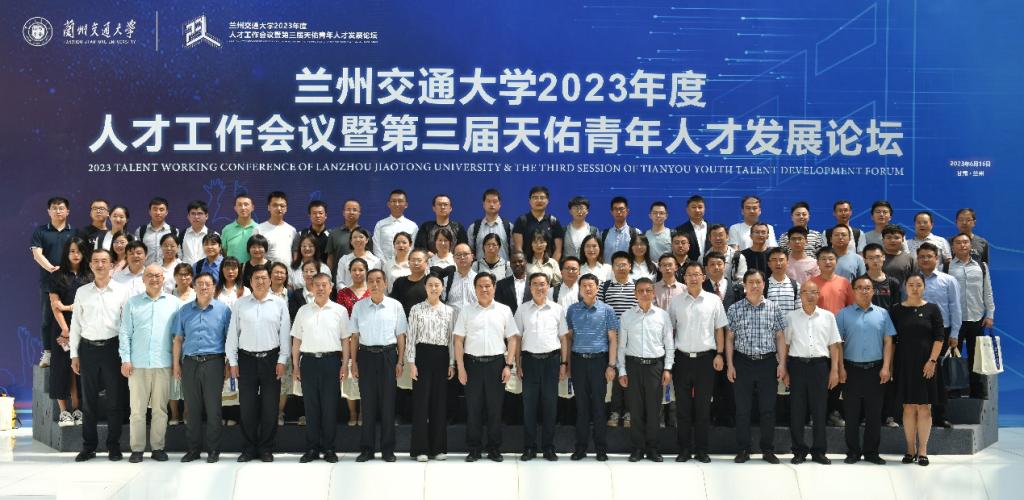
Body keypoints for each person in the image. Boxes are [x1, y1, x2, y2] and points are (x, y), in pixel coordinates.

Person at [69, 248, 130, 462]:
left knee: (114, 401)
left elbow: (126, 325)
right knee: (89, 402)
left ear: (112, 265)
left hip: (113, 349)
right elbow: (75, 325)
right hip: (88, 350)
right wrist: (74, 355)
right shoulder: (82, 292)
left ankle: (114, 446)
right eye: (96, 261)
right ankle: (89, 446)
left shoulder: (122, 291)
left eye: (104, 261)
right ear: (90, 265)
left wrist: (126, 355)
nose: (100, 265)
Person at [226, 265, 290, 463]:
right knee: (247, 407)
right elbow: (232, 335)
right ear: (250, 282)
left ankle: (266, 448)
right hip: (246, 360)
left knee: (270, 407)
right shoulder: (240, 304)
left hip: (271, 359)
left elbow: (284, 334)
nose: (260, 281)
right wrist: (233, 362)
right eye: (256, 278)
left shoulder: (279, 304)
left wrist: (282, 360)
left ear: (270, 280)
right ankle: (248, 448)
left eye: (264, 278)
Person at [119, 263, 182, 463]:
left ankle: (157, 448)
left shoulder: (175, 303)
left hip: (163, 364)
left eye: (158, 276)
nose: (154, 279)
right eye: (150, 275)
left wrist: (177, 362)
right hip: (137, 365)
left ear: (163, 279)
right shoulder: (133, 303)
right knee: (137, 410)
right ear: (143, 279)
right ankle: (137, 449)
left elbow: (179, 336)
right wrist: (125, 359)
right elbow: (125, 333)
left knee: (160, 410)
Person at [454, 273, 520, 462]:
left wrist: (508, 365)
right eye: (480, 286)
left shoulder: (504, 310)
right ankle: (474, 448)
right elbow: (458, 340)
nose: (484, 289)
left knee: (495, 409)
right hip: (472, 365)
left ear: (494, 288)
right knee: (473, 409)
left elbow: (512, 339)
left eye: (488, 286)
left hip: (496, 365)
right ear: (475, 289)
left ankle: (494, 448)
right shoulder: (466, 311)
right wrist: (461, 367)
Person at [725, 270, 787, 464]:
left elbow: (780, 337)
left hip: (767, 363)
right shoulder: (734, 309)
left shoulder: (774, 308)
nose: (755, 285)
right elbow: (729, 339)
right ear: (744, 285)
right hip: (742, 362)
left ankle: (767, 449)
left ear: (764, 285)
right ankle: (743, 449)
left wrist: (782, 363)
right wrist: (730, 364)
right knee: (742, 409)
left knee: (768, 409)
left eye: (758, 282)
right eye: (750, 282)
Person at [667, 262, 727, 463]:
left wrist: (719, 354)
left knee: (703, 408)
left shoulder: (713, 300)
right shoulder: (676, 302)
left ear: (703, 277)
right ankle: (684, 449)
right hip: (682, 359)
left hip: (706, 360)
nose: (693, 278)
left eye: (697, 274)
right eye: (689, 275)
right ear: (684, 278)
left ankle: (702, 450)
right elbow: (670, 331)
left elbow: (719, 329)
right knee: (682, 408)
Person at [349, 269, 408, 462]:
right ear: (367, 284)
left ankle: (388, 449)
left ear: (385, 284)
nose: (374, 284)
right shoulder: (359, 307)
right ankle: (367, 449)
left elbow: (401, 336)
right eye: (371, 281)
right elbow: (354, 337)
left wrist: (400, 361)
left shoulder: (395, 306)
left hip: (388, 356)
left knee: (388, 404)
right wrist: (353, 362)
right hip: (365, 357)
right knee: (367, 404)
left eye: (378, 280)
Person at [836, 276, 896, 465]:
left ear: (873, 291)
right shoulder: (843, 314)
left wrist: (886, 367)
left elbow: (888, 341)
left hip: (875, 370)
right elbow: (837, 344)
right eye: (860, 288)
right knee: (851, 414)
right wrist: (840, 368)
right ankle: (853, 452)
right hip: (851, 370)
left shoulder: (883, 314)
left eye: (868, 288)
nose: (864, 291)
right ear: (853, 291)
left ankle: (871, 452)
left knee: (874, 415)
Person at [173, 272, 231, 463]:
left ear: (214, 287)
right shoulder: (184, 310)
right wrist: (176, 364)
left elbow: (230, 340)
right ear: (194, 286)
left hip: (214, 362)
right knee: (191, 408)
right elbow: (178, 339)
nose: (204, 287)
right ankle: (193, 450)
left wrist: (228, 364)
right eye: (200, 284)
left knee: (214, 409)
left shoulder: (224, 310)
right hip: (189, 363)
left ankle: (214, 450)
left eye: (208, 284)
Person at [613, 278, 673, 462]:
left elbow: (669, 344)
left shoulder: (662, 315)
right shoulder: (627, 316)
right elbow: (621, 346)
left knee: (654, 410)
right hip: (633, 366)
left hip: (655, 367)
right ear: (635, 294)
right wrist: (622, 371)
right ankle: (638, 448)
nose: (645, 294)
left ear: (654, 293)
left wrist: (668, 368)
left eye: (648, 290)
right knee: (636, 410)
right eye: (640, 290)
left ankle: (653, 448)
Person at [291, 272, 348, 464]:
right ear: (312, 287)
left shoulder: (340, 311)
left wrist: (344, 364)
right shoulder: (303, 311)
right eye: (317, 285)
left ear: (331, 287)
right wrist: (295, 365)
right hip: (308, 362)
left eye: (324, 285)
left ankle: (329, 448)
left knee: (330, 407)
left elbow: (345, 340)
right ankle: (312, 448)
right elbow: (296, 340)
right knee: (311, 407)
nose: (321, 288)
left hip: (331, 362)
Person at [784, 280, 842, 465]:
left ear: (819, 295)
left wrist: (834, 370)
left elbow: (834, 345)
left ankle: (819, 451)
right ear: (800, 295)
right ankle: (798, 450)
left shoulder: (828, 317)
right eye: (806, 292)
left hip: (820, 367)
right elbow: (785, 345)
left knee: (819, 410)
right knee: (797, 411)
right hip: (797, 366)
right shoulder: (791, 317)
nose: (810, 296)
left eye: (814, 292)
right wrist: (784, 369)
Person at [891, 274, 945, 466]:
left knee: (924, 407)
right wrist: (890, 366)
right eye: (911, 285)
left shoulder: (932, 309)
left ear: (924, 287)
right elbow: (892, 340)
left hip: (927, 364)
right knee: (908, 407)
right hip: (904, 364)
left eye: (919, 285)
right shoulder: (896, 310)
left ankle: (923, 451)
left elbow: (939, 337)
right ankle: (910, 449)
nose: (915, 288)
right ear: (905, 287)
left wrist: (932, 361)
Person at [516, 273, 570, 462]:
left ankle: (548, 447)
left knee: (550, 406)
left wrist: (564, 363)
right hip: (529, 362)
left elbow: (563, 338)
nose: (539, 288)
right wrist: (517, 363)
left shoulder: (557, 309)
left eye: (542, 284)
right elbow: (517, 339)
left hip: (551, 362)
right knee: (529, 407)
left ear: (548, 287)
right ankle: (529, 447)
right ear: (530, 287)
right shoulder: (522, 309)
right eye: (535, 284)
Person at [566, 273, 619, 461]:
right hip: (579, 361)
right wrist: (568, 364)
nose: (588, 289)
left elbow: (613, 339)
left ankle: (601, 449)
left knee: (598, 406)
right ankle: (580, 448)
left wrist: (611, 365)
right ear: (579, 289)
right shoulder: (572, 310)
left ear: (597, 288)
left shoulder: (607, 310)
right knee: (581, 407)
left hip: (600, 362)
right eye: (584, 286)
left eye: (591, 285)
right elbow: (569, 339)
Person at [405, 273, 456, 462]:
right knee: (421, 403)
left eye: (437, 285)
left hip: (442, 357)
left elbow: (451, 339)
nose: (434, 288)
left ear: (442, 288)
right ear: (425, 288)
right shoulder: (416, 309)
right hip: (422, 356)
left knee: (439, 403)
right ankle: (420, 449)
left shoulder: (449, 311)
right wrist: (412, 363)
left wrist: (451, 363)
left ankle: (438, 448)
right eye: (430, 285)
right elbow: (411, 336)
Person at [916, 242, 962, 428]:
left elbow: (955, 307)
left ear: (937, 258)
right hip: (917, 333)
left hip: (942, 333)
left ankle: (939, 416)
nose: (925, 259)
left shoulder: (948, 280)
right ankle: (917, 415)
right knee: (918, 374)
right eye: (922, 257)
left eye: (929, 256)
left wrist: (955, 333)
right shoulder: (912, 280)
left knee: (938, 376)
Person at [48, 237, 91, 428]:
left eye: (79, 251)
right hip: (62, 329)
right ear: (67, 253)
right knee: (61, 369)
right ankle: (64, 412)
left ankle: (77, 409)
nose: (76, 254)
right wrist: (65, 329)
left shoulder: (89, 276)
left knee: (78, 369)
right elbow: (54, 305)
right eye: (72, 251)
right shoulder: (57, 275)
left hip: (84, 329)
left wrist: (67, 307)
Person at [32, 196, 76, 368]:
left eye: (61, 208)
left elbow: (79, 254)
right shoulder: (41, 231)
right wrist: (52, 268)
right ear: (48, 211)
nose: (58, 211)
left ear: (68, 211)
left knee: (72, 318)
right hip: (48, 283)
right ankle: (48, 353)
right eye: (54, 208)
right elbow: (37, 254)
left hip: (71, 284)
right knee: (47, 320)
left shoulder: (75, 232)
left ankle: (72, 352)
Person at [947, 233, 994, 377]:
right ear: (952, 247)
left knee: (977, 357)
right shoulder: (946, 266)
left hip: (977, 318)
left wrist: (990, 314)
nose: (962, 245)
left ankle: (976, 387)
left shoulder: (981, 266)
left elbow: (987, 291)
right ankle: (954, 387)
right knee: (953, 356)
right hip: (954, 320)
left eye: (965, 242)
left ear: (970, 245)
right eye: (958, 242)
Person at [599, 251, 637, 428]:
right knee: (613, 376)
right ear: (612, 267)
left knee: (630, 376)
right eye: (617, 265)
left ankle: (629, 412)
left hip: (632, 341)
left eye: (624, 264)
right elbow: (599, 311)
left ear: (630, 266)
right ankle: (614, 412)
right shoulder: (605, 286)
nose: (621, 268)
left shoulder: (637, 286)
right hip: (611, 341)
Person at [168, 263, 195, 425]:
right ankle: (174, 414)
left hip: (191, 342)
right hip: (172, 341)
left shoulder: (196, 294)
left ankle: (187, 413)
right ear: (175, 276)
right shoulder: (169, 295)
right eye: (180, 274)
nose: (184, 277)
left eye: (187, 274)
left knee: (189, 381)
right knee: (173, 379)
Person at [513, 186, 564, 262]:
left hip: (548, 266)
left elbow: (558, 250)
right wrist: (525, 266)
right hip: (527, 265)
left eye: (542, 198)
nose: (539, 200)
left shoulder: (553, 221)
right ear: (529, 201)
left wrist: (551, 266)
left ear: (547, 201)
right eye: (535, 198)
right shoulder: (521, 221)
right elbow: (518, 249)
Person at [467, 188, 514, 261]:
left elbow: (514, 252)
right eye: (488, 201)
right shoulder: (473, 228)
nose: (491, 204)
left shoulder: (509, 227)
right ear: (483, 204)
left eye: (495, 201)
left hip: (504, 267)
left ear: (500, 204)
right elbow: (469, 253)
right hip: (480, 267)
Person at [372, 190, 418, 261]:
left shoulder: (412, 226)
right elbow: (376, 246)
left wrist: (405, 262)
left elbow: (413, 247)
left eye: (400, 201)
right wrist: (385, 264)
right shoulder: (380, 224)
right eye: (393, 201)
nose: (397, 204)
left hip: (406, 265)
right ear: (388, 204)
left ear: (406, 205)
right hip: (383, 265)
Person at [135, 197, 182, 265]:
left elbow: (178, 254)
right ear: (150, 212)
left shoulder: (174, 231)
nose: (158, 212)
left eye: (161, 209)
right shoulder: (140, 231)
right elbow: (137, 253)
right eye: (155, 209)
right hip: (147, 270)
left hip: (167, 270)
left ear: (166, 212)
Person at [807, 247, 854, 314]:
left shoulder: (845, 283)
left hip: (840, 320)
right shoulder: (811, 284)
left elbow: (851, 306)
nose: (827, 262)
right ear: (817, 262)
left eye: (831, 259)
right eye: (823, 259)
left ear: (836, 261)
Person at [325, 199, 363, 272]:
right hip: (338, 276)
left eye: (354, 210)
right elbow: (330, 258)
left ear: (359, 213)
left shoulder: (366, 234)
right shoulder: (334, 234)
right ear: (343, 213)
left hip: (359, 276)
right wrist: (329, 276)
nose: (351, 212)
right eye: (348, 209)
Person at [391, 249, 430, 317]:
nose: (416, 263)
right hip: (403, 321)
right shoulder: (399, 282)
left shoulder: (431, 283)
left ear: (426, 263)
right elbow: (393, 304)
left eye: (419, 260)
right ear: (408, 263)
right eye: (413, 260)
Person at [221, 193, 259, 262]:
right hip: (232, 268)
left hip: (254, 268)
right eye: (239, 205)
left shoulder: (259, 229)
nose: (243, 208)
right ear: (235, 208)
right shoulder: (227, 229)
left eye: (246, 204)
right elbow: (224, 252)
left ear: (252, 207)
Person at [863, 244, 901, 311]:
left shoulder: (893, 282)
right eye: (870, 258)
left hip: (887, 317)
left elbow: (896, 307)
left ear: (883, 257)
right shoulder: (860, 282)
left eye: (877, 257)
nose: (875, 260)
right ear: (865, 260)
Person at [601, 197, 641, 261]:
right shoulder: (604, 234)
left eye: (621, 209)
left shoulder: (636, 233)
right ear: (611, 212)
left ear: (627, 211)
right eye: (615, 209)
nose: (619, 212)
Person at [673, 195, 710, 262]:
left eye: (700, 207)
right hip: (689, 266)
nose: (697, 210)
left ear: (704, 209)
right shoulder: (680, 230)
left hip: (710, 266)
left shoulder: (712, 228)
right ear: (687, 210)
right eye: (693, 207)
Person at [443, 243, 478, 311]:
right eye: (458, 254)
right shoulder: (446, 280)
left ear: (472, 257)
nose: (462, 257)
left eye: (465, 254)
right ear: (454, 258)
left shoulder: (479, 280)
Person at [563, 195, 599, 260]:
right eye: (576, 208)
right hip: (568, 265)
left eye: (581, 208)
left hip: (586, 265)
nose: (579, 211)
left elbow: (598, 252)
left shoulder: (593, 230)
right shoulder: (563, 230)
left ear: (587, 211)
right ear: (570, 211)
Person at [766, 248, 800, 313]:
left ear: (787, 263)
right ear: (769, 264)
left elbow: (799, 310)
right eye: (774, 260)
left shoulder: (796, 286)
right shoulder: (763, 286)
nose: (778, 263)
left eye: (781, 260)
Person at [181, 200, 212, 266]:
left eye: (199, 213)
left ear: (206, 216)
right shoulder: (182, 235)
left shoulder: (214, 235)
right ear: (188, 216)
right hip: (186, 271)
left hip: (206, 271)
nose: (196, 217)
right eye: (193, 213)